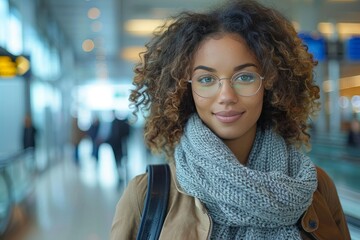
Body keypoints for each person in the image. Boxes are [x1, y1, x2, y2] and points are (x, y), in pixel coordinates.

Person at [110, 1, 350, 239]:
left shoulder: (315, 187)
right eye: (206, 79)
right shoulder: (147, 195)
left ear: (270, 83)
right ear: (185, 90)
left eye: (244, 77)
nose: (226, 96)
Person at [106, 111, 130, 182]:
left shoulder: (119, 123)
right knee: (117, 159)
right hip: (114, 144)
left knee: (120, 158)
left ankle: (122, 172)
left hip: (119, 144)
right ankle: (119, 173)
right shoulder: (112, 122)